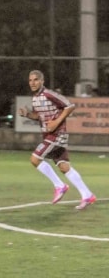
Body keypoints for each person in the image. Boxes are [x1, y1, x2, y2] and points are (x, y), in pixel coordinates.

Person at [18, 70, 96, 210]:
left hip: (57, 134)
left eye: (36, 80)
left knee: (35, 159)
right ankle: (87, 194)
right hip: (49, 135)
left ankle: (59, 186)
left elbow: (70, 106)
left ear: (42, 81)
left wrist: (56, 122)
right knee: (64, 167)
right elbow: (39, 117)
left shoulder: (49, 94)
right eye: (30, 80)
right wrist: (28, 114)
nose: (33, 83)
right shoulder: (35, 98)